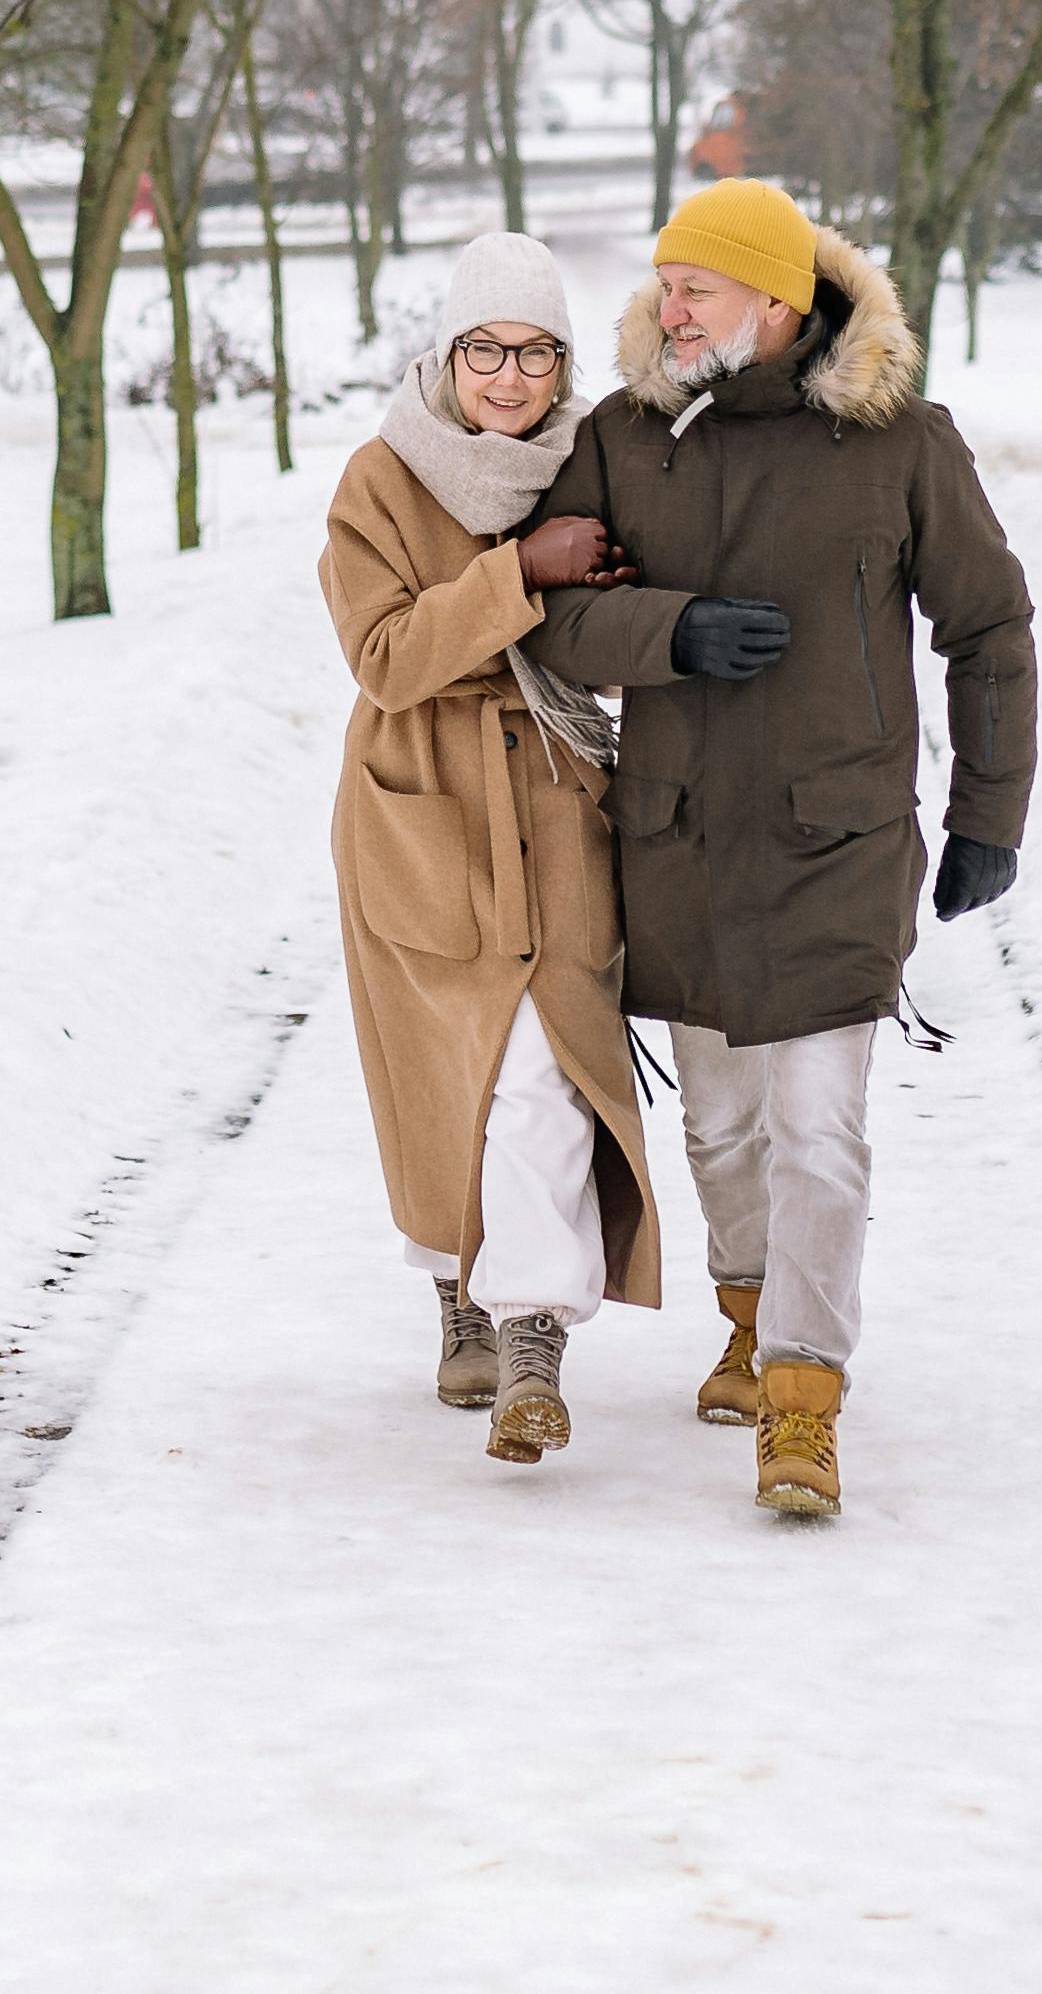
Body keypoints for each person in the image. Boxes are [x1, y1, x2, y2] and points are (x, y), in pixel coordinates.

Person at [522, 178, 1036, 1520]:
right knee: (726, 1129)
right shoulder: (626, 438)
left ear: (778, 300)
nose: (664, 303)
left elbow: (990, 630)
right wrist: (669, 633)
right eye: (664, 281)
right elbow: (554, 624)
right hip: (680, 844)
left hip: (835, 841)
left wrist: (989, 817)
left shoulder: (901, 442)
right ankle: (747, 1318)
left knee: (819, 1129)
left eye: (695, 283)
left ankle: (803, 1402)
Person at [318, 233, 665, 1466]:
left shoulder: (594, 460)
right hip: (422, 810)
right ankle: (460, 1292)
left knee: (548, 1066)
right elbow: (387, 657)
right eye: (487, 349)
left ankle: (532, 1341)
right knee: (442, 1068)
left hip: (558, 799)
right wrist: (521, 571)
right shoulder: (380, 478)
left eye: (536, 353)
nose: (509, 378)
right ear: (450, 349)